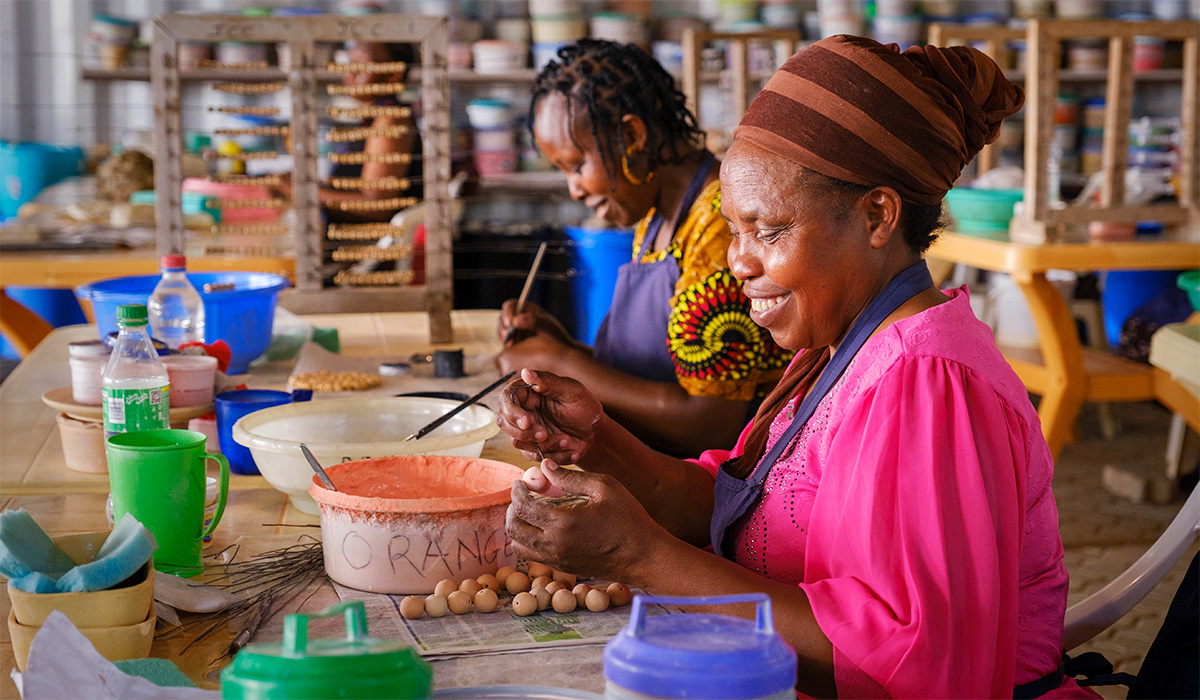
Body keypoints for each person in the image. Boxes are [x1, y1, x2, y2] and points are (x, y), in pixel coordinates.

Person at [498, 36, 1098, 699]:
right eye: (734, 231)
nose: (738, 262)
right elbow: (740, 509)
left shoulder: (930, 384)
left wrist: (638, 555)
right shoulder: (836, 350)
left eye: (771, 232)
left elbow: (906, 668)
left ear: (876, 215)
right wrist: (598, 442)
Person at [497, 39, 791, 455]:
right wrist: (559, 347)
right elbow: (660, 370)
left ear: (632, 135)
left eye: (577, 166)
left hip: (723, 486)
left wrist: (564, 364)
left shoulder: (717, 226)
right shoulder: (656, 220)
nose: (574, 189)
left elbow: (711, 423)